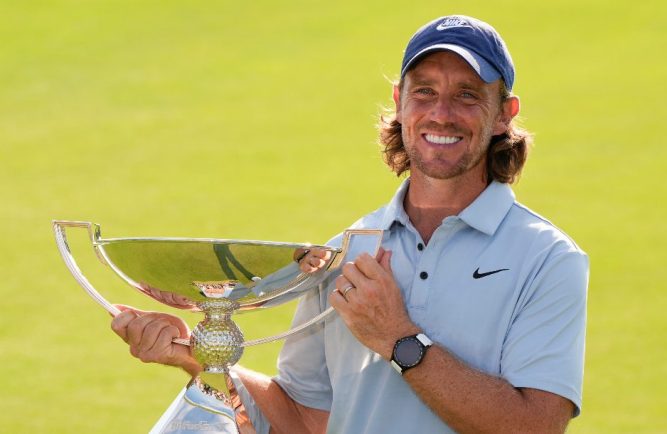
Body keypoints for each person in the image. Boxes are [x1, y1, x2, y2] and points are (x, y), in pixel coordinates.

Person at [111, 15, 589, 434]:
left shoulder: (547, 259)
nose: (441, 113)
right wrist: (198, 358)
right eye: (425, 91)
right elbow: (303, 420)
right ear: (401, 102)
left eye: (467, 95)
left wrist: (400, 340)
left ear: (505, 115)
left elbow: (537, 426)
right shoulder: (344, 251)